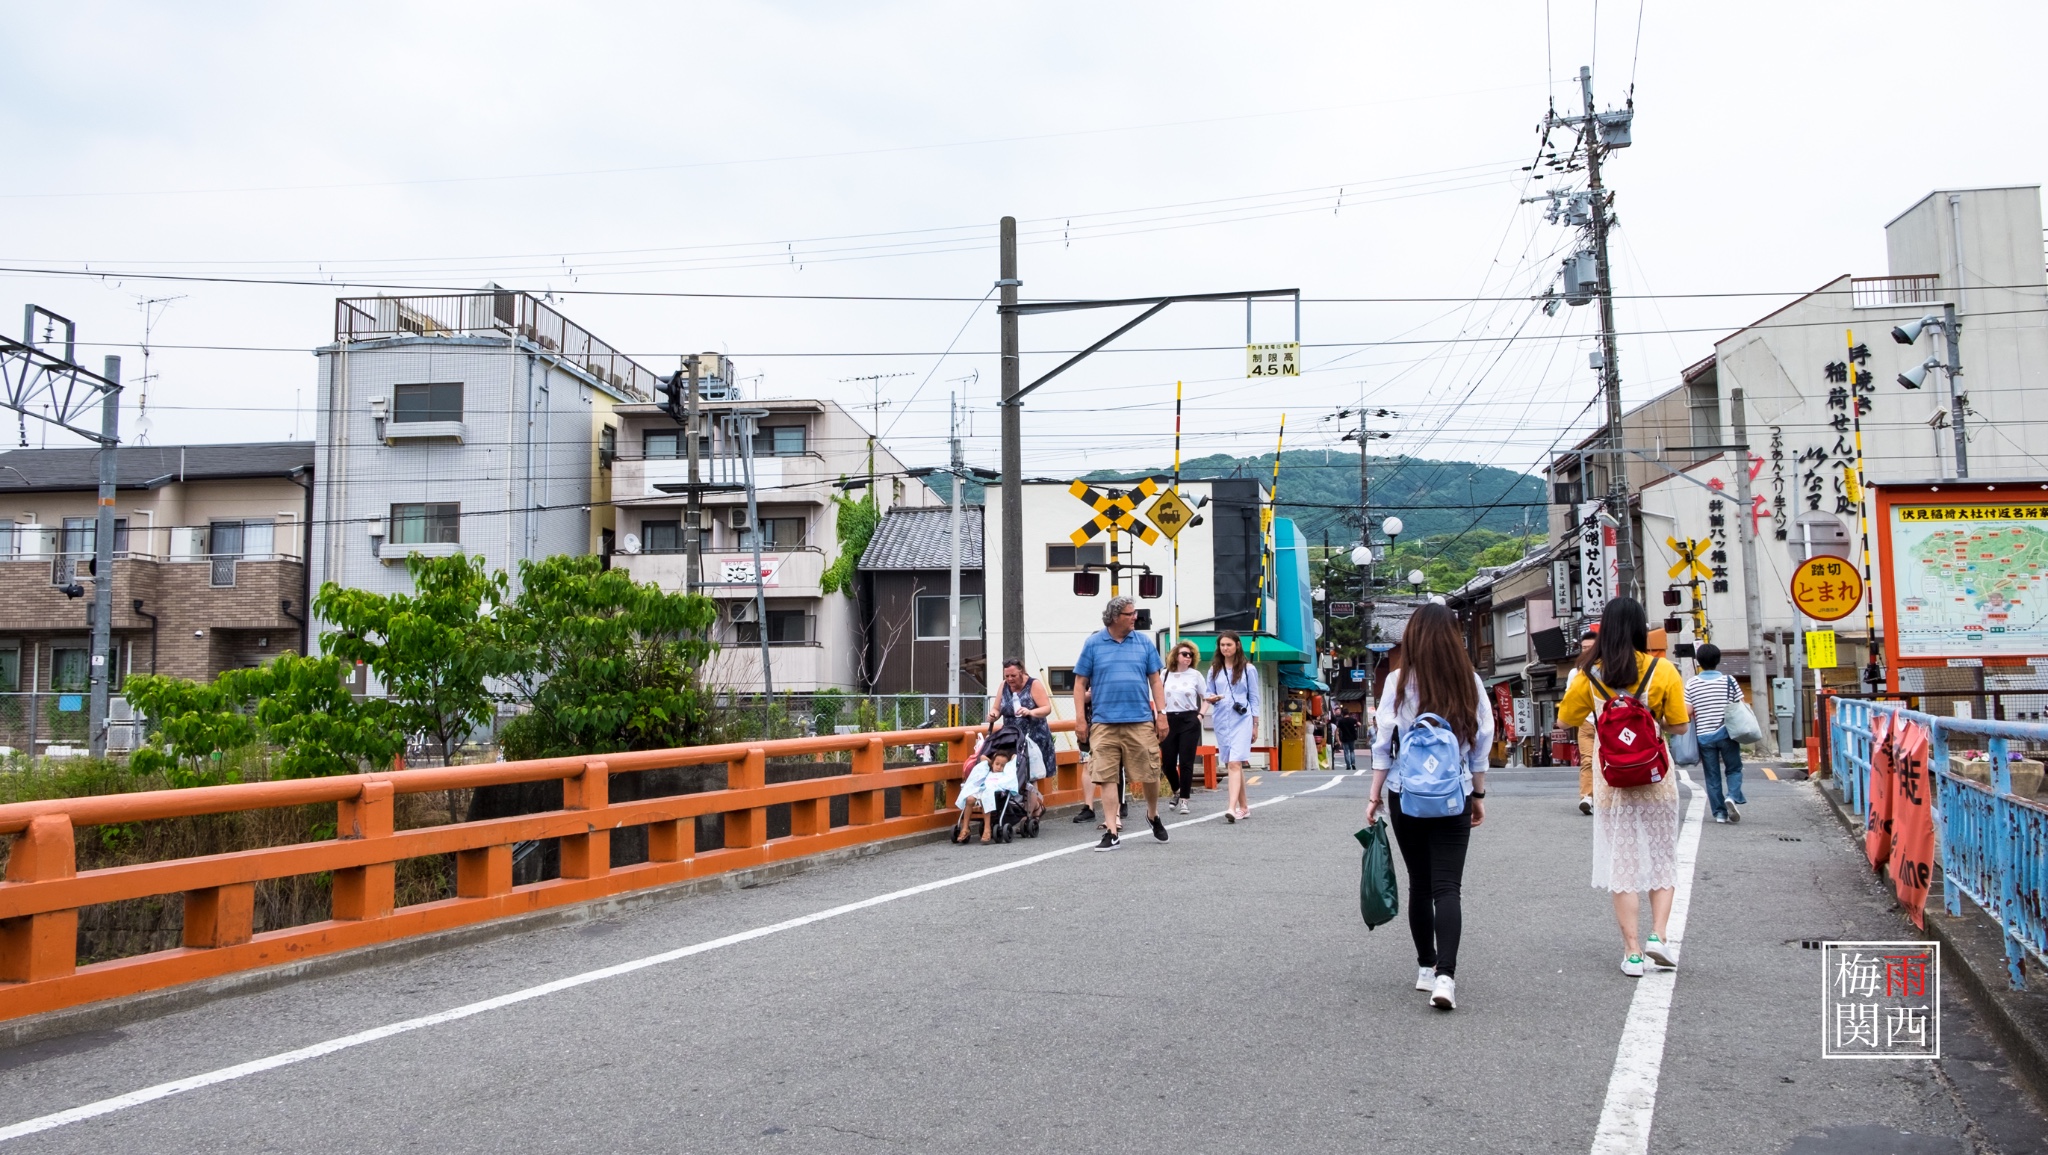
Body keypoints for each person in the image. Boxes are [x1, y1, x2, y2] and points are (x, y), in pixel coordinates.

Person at [1365, 603, 1491, 1011]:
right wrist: (1477, 793)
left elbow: (1384, 741)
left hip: (1407, 793)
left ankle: (1425, 967)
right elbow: (1482, 740)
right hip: (1453, 793)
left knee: (1419, 881)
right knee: (1447, 887)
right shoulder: (1468, 680)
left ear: (1414, 638)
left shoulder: (1398, 681)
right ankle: (1446, 978)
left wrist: (1374, 796)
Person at [1559, 597, 1690, 978]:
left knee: (1623, 862)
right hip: (1655, 775)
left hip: (1611, 776)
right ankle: (1658, 937)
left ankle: (1632, 953)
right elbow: (1679, 725)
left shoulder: (1590, 674)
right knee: (1663, 856)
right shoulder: (1662, 670)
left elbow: (1568, 717)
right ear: (1639, 628)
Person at [1072, 595, 1170, 850]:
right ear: (1115, 617)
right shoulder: (1093, 644)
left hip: (1139, 720)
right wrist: (1081, 720)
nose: (1135, 617)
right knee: (1106, 776)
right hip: (1104, 723)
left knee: (1149, 773)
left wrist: (1162, 713)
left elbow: (1156, 680)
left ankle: (1152, 813)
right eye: (1130, 614)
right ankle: (1112, 830)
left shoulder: (1144, 643)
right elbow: (1080, 683)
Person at [1684, 643, 1747, 824]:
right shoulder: (1729, 681)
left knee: (1712, 776)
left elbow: (1687, 711)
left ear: (1698, 661)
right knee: (1734, 769)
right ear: (1718, 660)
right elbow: (1740, 705)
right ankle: (1732, 796)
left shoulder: (1692, 683)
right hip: (1727, 733)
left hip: (1704, 736)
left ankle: (1719, 813)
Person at [1204, 631, 1261, 822]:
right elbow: (1208, 692)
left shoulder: (1248, 669)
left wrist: (1255, 724)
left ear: (1237, 645)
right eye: (1222, 645)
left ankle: (1231, 807)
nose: (1225, 648)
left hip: (1242, 719)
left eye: (1229, 644)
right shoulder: (1214, 669)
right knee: (1231, 762)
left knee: (1236, 762)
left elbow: (1254, 697)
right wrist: (1212, 698)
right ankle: (1244, 807)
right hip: (1222, 718)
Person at [988, 659, 1055, 819]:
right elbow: (997, 708)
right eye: (1007, 676)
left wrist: (1030, 712)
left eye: (1013, 675)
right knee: (1014, 771)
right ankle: (1032, 806)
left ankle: (1030, 812)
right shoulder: (1004, 686)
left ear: (1022, 672)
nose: (1010, 679)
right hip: (1012, 737)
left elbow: (1046, 708)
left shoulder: (1033, 684)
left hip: (1034, 736)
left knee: (1030, 774)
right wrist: (993, 715)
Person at [1160, 640, 1206, 815]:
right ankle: (1177, 790)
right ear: (1176, 656)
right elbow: (1157, 697)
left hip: (1189, 719)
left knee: (1186, 762)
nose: (1188, 657)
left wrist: (1200, 715)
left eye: (1191, 655)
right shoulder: (1165, 674)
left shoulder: (1195, 675)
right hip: (1169, 718)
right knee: (1168, 763)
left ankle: (1185, 800)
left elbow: (1206, 696)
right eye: (1185, 654)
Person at [1571, 625, 1599, 816]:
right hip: (1587, 723)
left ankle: (1607, 796)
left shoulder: (1611, 669)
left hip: (1609, 723)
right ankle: (1586, 797)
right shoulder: (1576, 673)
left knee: (1610, 761)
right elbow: (1570, 699)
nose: (1587, 651)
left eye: (1591, 647)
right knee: (1587, 760)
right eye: (1584, 648)